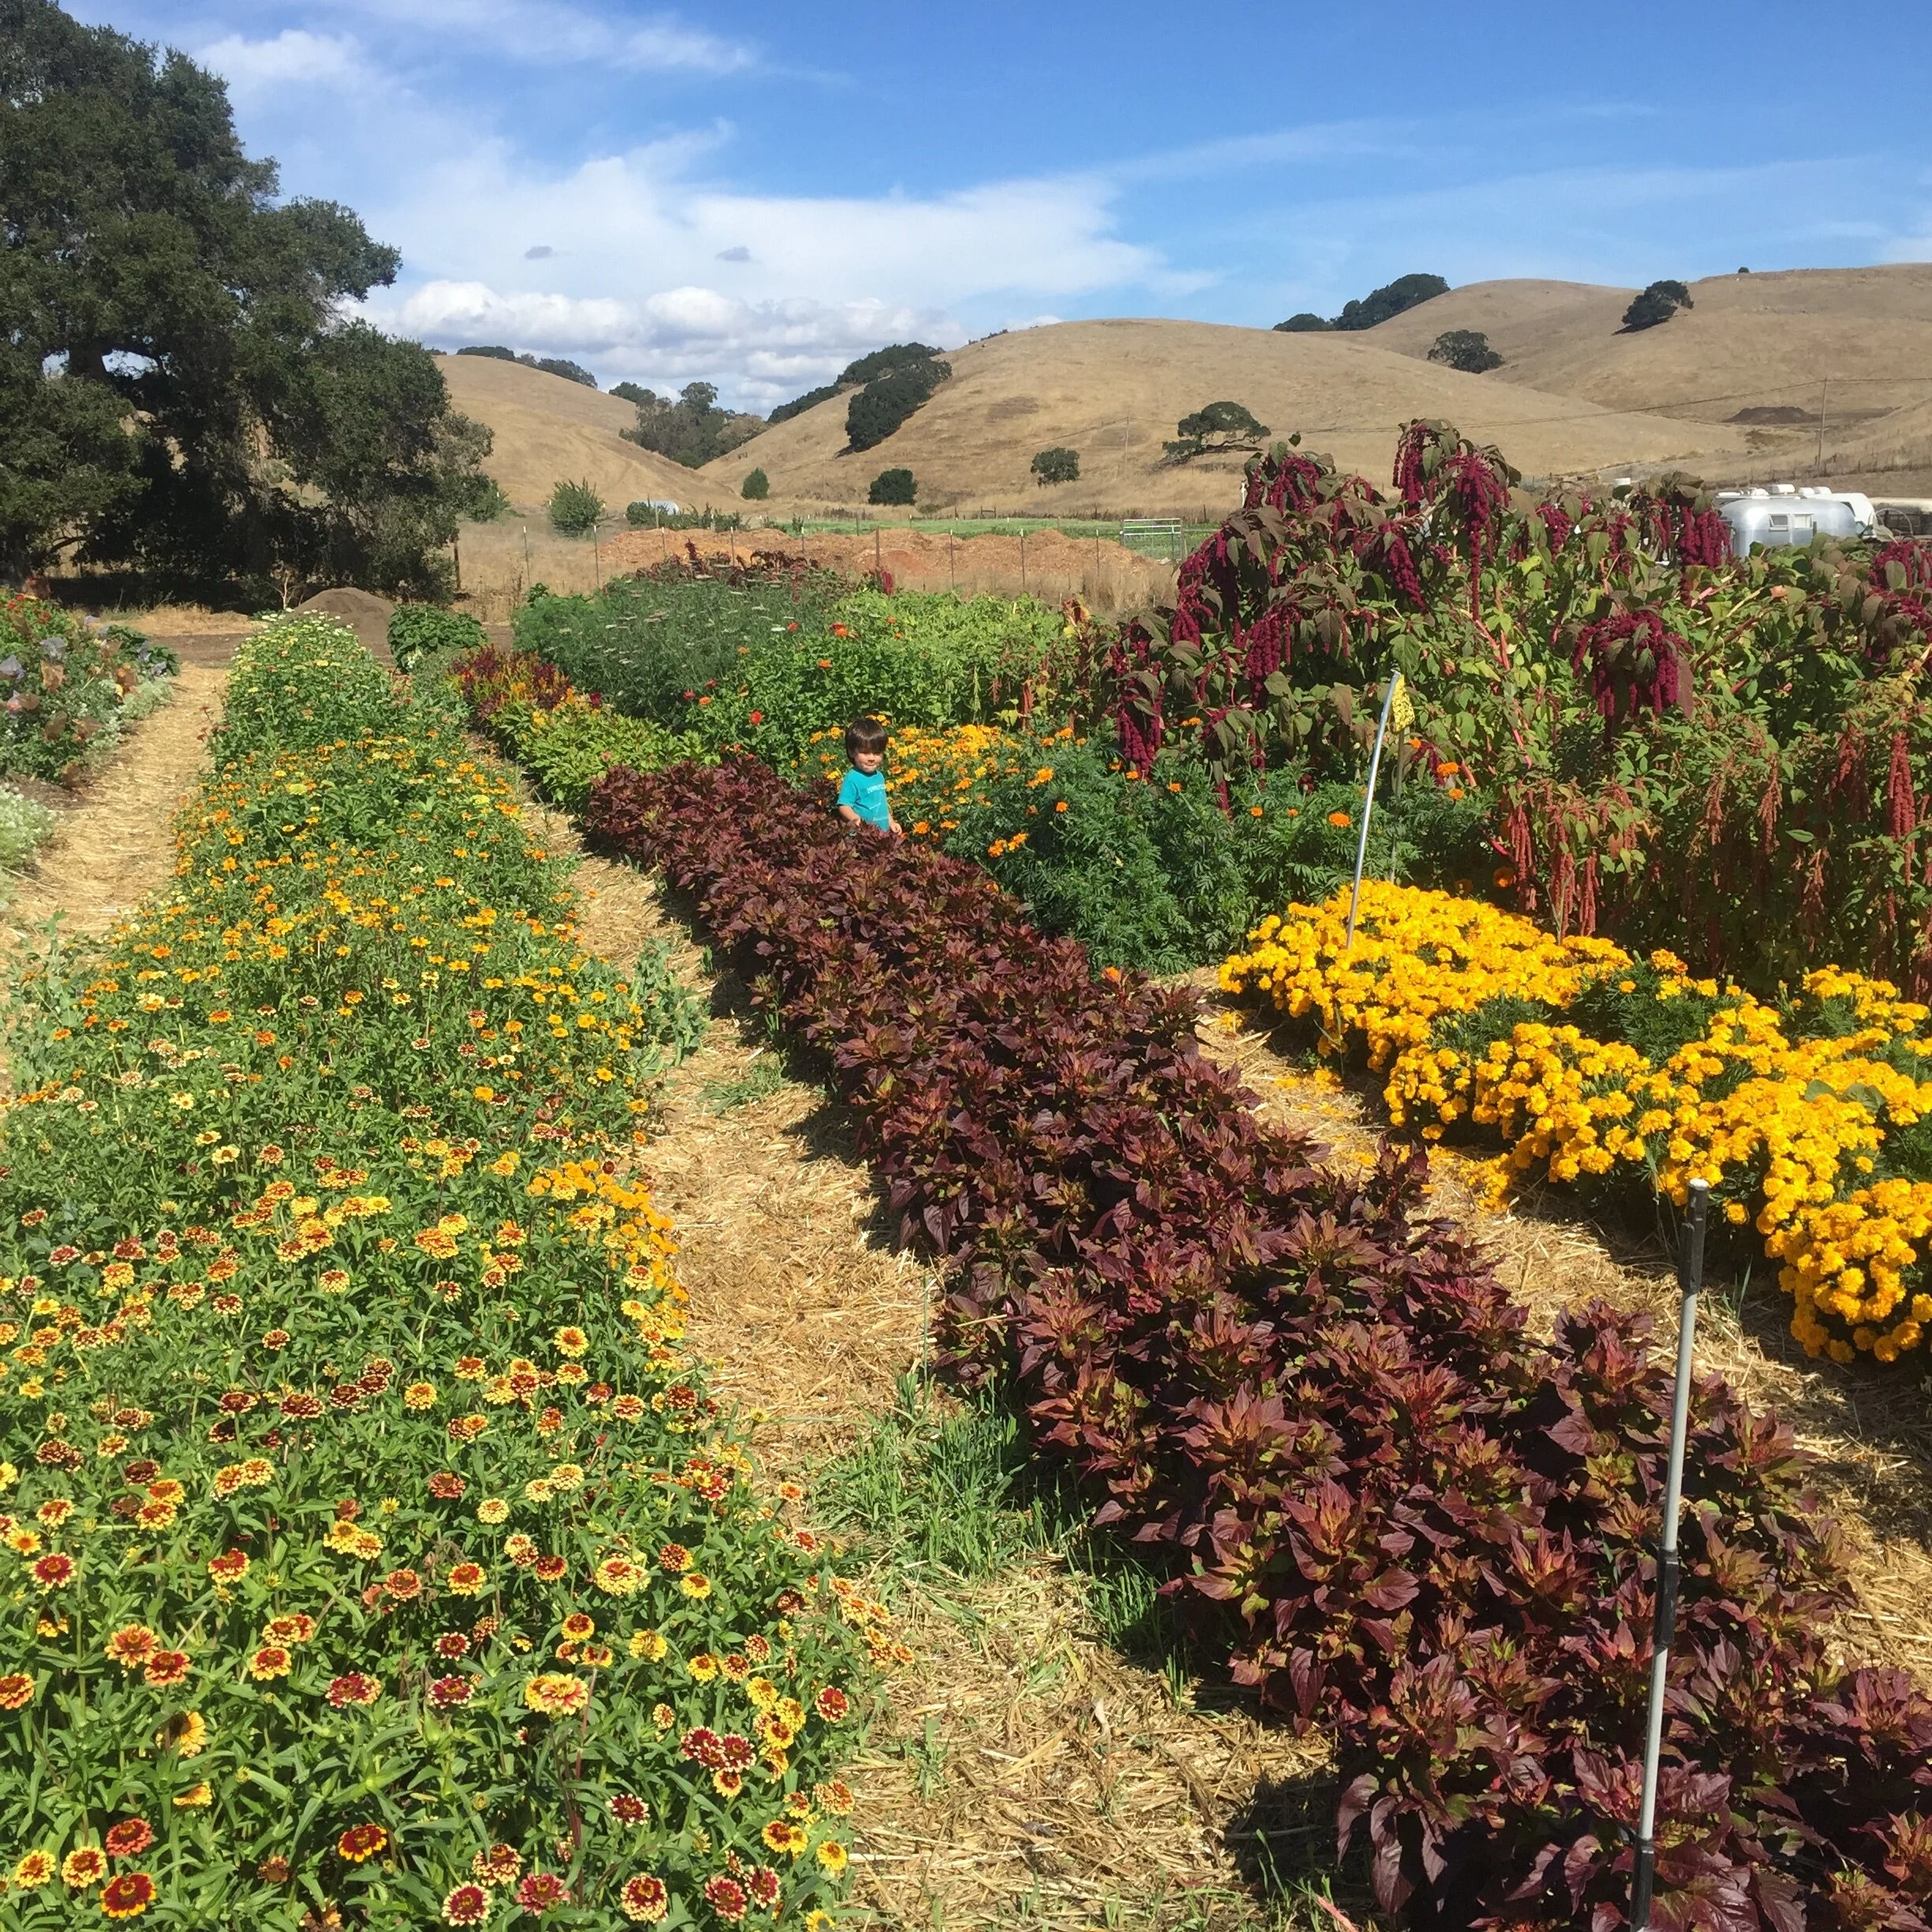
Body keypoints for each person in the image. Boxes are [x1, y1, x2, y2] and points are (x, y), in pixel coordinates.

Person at [836, 715, 900, 838]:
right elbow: (844, 805)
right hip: (863, 836)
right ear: (852, 752)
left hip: (882, 834)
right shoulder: (853, 778)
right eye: (865, 753)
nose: (871, 758)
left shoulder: (879, 776)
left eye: (877, 753)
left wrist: (891, 822)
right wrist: (855, 820)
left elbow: (882, 804)